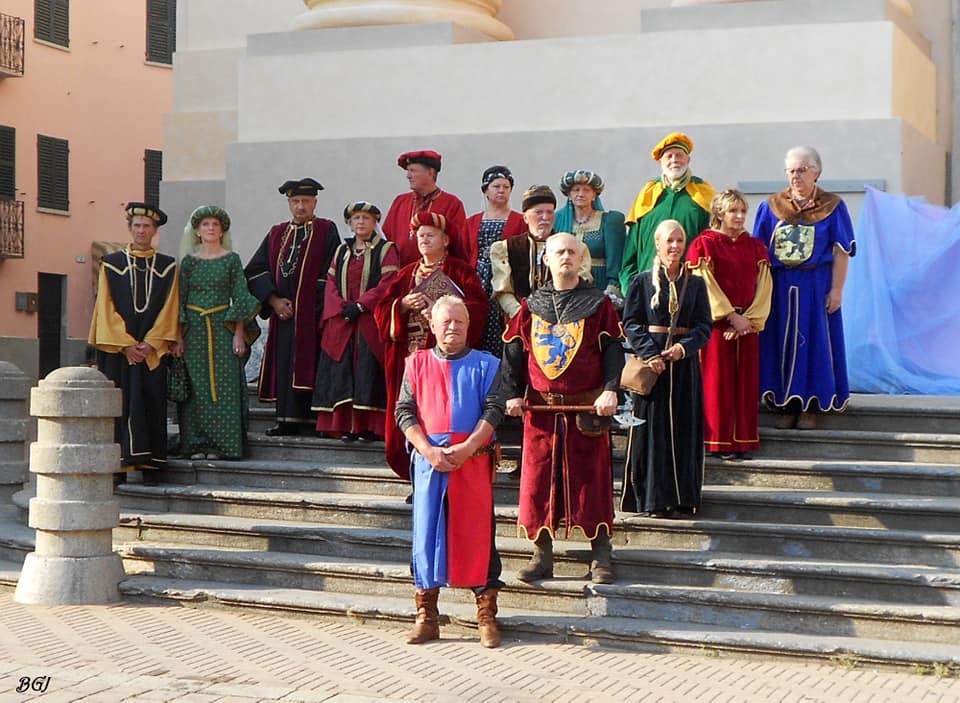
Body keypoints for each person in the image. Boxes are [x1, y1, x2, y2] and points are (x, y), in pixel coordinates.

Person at [501, 233, 624, 584]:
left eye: (572, 251)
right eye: (559, 252)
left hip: (585, 410)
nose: (566, 257)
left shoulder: (598, 304)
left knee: (591, 483)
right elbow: (513, 353)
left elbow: (613, 351)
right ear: (547, 259)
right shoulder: (530, 306)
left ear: (581, 258)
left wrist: (610, 390)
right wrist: (511, 393)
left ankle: (601, 554)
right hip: (541, 411)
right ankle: (542, 555)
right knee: (537, 484)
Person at [396, 295, 506, 648]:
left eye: (459, 321)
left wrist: (469, 447)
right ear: (432, 325)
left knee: (479, 536)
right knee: (426, 538)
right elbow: (404, 411)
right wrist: (428, 450)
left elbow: (494, 410)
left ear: (469, 325)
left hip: (472, 463)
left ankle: (486, 616)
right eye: (446, 321)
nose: (453, 327)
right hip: (430, 465)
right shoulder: (416, 363)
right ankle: (426, 617)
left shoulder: (487, 364)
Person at [375, 211, 488, 478]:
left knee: (440, 414)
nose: (423, 240)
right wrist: (401, 305)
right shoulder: (406, 274)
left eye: (430, 235)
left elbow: (479, 308)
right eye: (420, 235)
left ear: (446, 240)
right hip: (411, 360)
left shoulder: (460, 271)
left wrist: (443, 312)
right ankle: (415, 474)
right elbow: (381, 311)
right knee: (410, 413)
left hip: (447, 363)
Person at [753, 146, 856, 430]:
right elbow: (758, 254)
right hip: (780, 285)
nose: (796, 176)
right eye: (791, 171)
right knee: (780, 342)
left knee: (813, 342)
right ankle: (785, 403)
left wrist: (837, 290)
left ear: (816, 172)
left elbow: (841, 252)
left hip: (815, 285)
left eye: (801, 170)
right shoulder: (772, 206)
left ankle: (810, 405)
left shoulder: (832, 206)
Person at [620, 220, 712, 517]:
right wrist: (650, 354)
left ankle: (682, 498)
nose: (674, 246)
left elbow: (704, 325)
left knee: (684, 430)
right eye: (669, 241)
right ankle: (652, 499)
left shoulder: (695, 284)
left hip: (684, 368)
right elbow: (631, 322)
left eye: (679, 241)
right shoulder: (641, 281)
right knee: (652, 432)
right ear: (658, 244)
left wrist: (683, 348)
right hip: (652, 369)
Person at [88, 202, 179, 484]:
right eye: (137, 226)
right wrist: (126, 345)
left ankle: (151, 464)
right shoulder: (111, 263)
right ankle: (118, 466)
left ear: (155, 231)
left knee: (152, 402)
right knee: (120, 405)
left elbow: (170, 308)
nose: (141, 231)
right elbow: (104, 307)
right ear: (130, 228)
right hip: (118, 351)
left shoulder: (168, 266)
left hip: (151, 350)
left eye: (147, 226)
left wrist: (152, 343)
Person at [245, 178, 340, 436]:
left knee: (313, 365)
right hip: (283, 316)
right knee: (285, 365)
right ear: (289, 203)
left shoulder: (326, 230)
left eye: (306, 201)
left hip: (313, 316)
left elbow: (331, 272)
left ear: (315, 203)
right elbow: (255, 270)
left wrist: (309, 304)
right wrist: (274, 301)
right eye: (295, 201)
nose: (300, 206)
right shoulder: (276, 233)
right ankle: (286, 420)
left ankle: (315, 422)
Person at [687, 190, 772, 459]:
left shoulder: (755, 246)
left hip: (747, 327)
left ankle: (742, 442)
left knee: (745, 386)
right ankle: (717, 442)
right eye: (733, 211)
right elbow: (704, 285)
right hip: (716, 328)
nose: (739, 216)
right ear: (719, 213)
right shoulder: (704, 244)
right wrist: (730, 317)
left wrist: (748, 321)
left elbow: (764, 286)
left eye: (743, 211)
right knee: (717, 385)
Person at [176, 206, 261, 460]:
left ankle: (223, 446)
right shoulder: (189, 262)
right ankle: (196, 445)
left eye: (215, 224)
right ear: (197, 231)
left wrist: (238, 333)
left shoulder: (231, 260)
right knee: (196, 389)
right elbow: (179, 299)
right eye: (205, 224)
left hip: (223, 327)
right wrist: (178, 337)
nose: (211, 228)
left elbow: (240, 296)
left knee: (224, 386)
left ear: (222, 230)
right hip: (193, 331)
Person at [312, 201, 399, 442]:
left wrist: (361, 305)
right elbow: (330, 283)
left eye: (366, 218)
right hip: (343, 321)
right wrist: (341, 308)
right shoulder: (342, 250)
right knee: (342, 370)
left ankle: (368, 427)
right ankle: (344, 426)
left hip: (369, 321)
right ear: (349, 223)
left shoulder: (386, 249)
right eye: (356, 218)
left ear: (375, 222)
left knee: (367, 370)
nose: (360, 222)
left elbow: (389, 282)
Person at [620, 132, 715, 293]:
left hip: (689, 288)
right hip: (648, 286)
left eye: (679, 155)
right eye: (669, 156)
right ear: (660, 162)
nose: (674, 160)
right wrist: (629, 287)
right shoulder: (647, 194)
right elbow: (631, 248)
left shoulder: (704, 194)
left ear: (688, 160)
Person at [490, 185, 592, 321]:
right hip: (519, 321)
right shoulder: (506, 248)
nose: (545, 217)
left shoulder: (573, 247)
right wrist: (522, 315)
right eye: (538, 212)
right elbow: (503, 290)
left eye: (549, 212)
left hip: (564, 319)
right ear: (525, 218)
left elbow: (581, 285)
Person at [464, 165, 528, 356]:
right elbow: (465, 252)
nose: (501, 190)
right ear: (486, 190)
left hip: (504, 280)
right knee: (476, 323)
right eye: (496, 186)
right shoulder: (471, 222)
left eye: (506, 187)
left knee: (501, 324)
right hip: (477, 280)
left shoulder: (520, 221)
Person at [382, 150, 467, 266]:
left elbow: (458, 245)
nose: (408, 176)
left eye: (413, 171)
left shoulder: (451, 204)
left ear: (430, 173)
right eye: (408, 171)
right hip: (402, 273)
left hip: (438, 272)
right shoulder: (400, 202)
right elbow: (386, 241)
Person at [554, 169, 626, 306]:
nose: (581, 194)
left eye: (586, 190)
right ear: (569, 195)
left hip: (599, 285)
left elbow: (616, 260)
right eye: (576, 190)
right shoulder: (558, 220)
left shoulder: (609, 221)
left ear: (594, 195)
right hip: (567, 286)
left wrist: (610, 292)